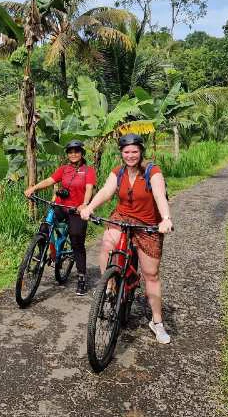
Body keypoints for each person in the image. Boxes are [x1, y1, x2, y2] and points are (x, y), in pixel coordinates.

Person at [79, 133, 174, 344]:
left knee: (151, 274)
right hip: (122, 217)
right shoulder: (118, 173)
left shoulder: (152, 172)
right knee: (107, 244)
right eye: (126, 152)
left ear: (141, 152)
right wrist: (90, 207)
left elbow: (159, 195)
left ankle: (157, 322)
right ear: (121, 154)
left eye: (134, 151)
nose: (130, 155)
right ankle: (109, 286)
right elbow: (105, 191)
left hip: (148, 224)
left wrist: (166, 219)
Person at [24, 140, 96, 295]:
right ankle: (42, 255)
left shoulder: (88, 171)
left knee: (76, 239)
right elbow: (50, 180)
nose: (73, 154)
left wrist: (84, 204)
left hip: (76, 210)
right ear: (67, 154)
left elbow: (89, 188)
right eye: (70, 152)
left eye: (76, 151)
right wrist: (34, 188)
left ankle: (81, 277)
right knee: (44, 228)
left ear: (82, 153)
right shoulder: (64, 169)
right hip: (60, 206)